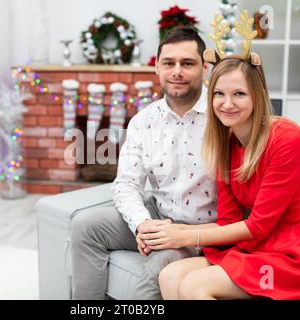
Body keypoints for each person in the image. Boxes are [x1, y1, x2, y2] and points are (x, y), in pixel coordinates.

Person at [154, 47, 300, 299]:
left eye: (239, 94)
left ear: (258, 95)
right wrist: (168, 235)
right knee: (170, 274)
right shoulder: (225, 143)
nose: (227, 103)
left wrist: (185, 237)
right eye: (219, 94)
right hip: (262, 247)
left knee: (194, 285)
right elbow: (228, 221)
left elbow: (258, 226)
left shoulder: (286, 138)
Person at [69, 26, 218, 300]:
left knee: (161, 263)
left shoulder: (222, 114)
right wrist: (142, 224)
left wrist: (180, 234)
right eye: (169, 63)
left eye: (187, 63)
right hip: (158, 214)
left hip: (201, 228)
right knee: (84, 225)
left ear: (205, 69)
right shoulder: (143, 121)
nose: (177, 72)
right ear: (157, 70)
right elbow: (126, 183)